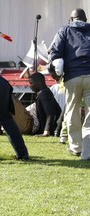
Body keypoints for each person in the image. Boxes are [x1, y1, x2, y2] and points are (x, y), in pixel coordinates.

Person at [48, 8, 90, 159]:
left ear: (71, 19)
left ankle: (76, 147)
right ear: (85, 19)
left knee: (72, 111)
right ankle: (88, 149)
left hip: (73, 77)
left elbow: (55, 52)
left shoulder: (65, 30)